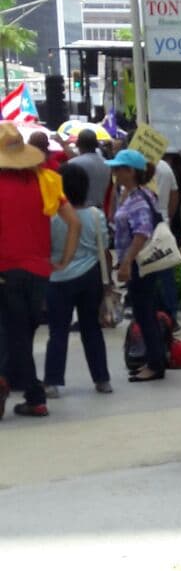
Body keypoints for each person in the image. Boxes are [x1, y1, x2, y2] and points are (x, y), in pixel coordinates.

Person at [0, 121, 80, 418]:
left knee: (13, 334)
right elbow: (75, 222)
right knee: (21, 333)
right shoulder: (45, 180)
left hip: (5, 270)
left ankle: (30, 393)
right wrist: (64, 260)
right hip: (39, 271)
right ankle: (15, 383)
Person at [43, 159, 112, 398]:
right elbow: (103, 249)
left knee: (57, 331)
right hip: (90, 275)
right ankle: (102, 379)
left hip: (58, 277)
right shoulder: (95, 215)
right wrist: (108, 284)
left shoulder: (52, 216)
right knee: (92, 329)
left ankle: (52, 382)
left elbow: (45, 247)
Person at [110, 148, 168, 384]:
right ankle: (154, 359)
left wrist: (126, 262)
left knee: (144, 313)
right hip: (141, 263)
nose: (114, 172)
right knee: (145, 312)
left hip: (139, 264)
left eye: (118, 168)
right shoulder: (139, 194)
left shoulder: (137, 199)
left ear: (129, 171)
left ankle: (155, 364)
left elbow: (141, 233)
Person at [152, 152, 181, 326]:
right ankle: (171, 313)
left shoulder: (138, 167)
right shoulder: (164, 167)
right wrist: (168, 215)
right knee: (165, 270)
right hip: (163, 221)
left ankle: (156, 311)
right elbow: (175, 193)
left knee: (149, 271)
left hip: (147, 222)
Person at [70, 127, 113, 211]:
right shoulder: (107, 164)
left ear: (78, 144)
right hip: (100, 212)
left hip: (80, 212)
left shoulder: (73, 164)